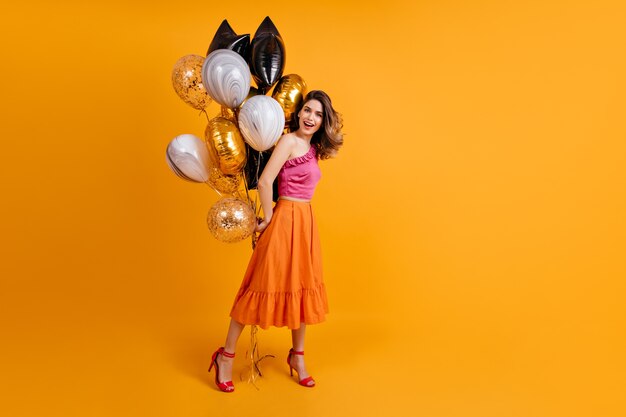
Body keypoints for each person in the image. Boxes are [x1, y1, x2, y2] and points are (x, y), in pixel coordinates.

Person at [208, 90, 344, 392]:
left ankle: (298, 357)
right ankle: (226, 356)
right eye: (307, 110)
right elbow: (266, 180)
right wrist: (268, 218)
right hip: (284, 219)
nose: (311, 117)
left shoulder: (313, 147)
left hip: (305, 222)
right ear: (298, 113)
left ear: (324, 121)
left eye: (318, 114)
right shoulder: (288, 141)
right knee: (260, 286)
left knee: (301, 287)